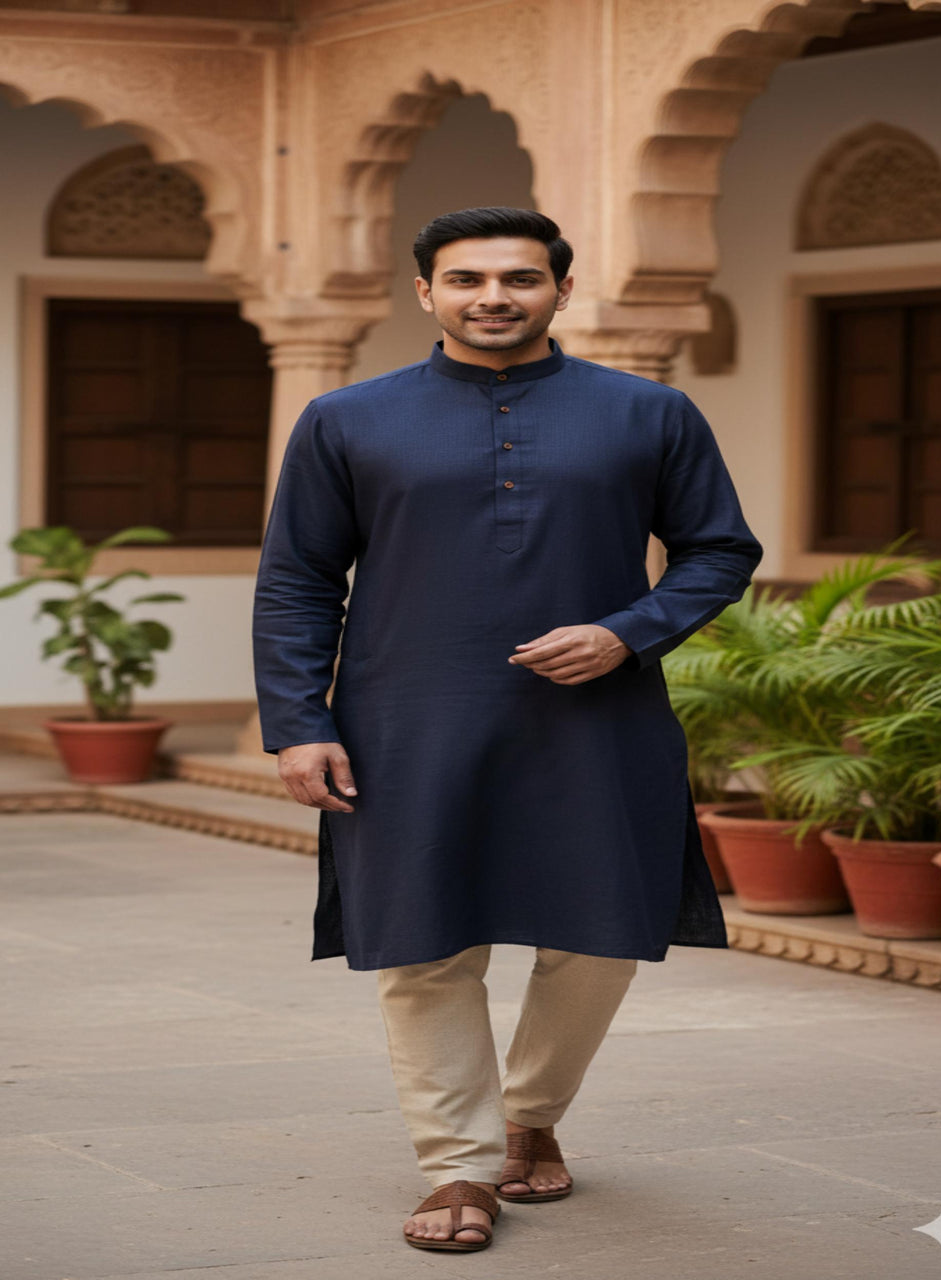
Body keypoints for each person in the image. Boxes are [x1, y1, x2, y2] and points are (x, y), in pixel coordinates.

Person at [251, 206, 762, 1253]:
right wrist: (300, 722)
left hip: (598, 716)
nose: (495, 296)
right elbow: (298, 580)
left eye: (520, 278)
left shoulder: (648, 413)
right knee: (423, 943)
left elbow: (719, 548)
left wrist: (627, 633)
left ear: (560, 292)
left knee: (600, 928)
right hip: (404, 717)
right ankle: (459, 1165)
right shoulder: (344, 419)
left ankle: (530, 1112)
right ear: (426, 292)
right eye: (469, 278)